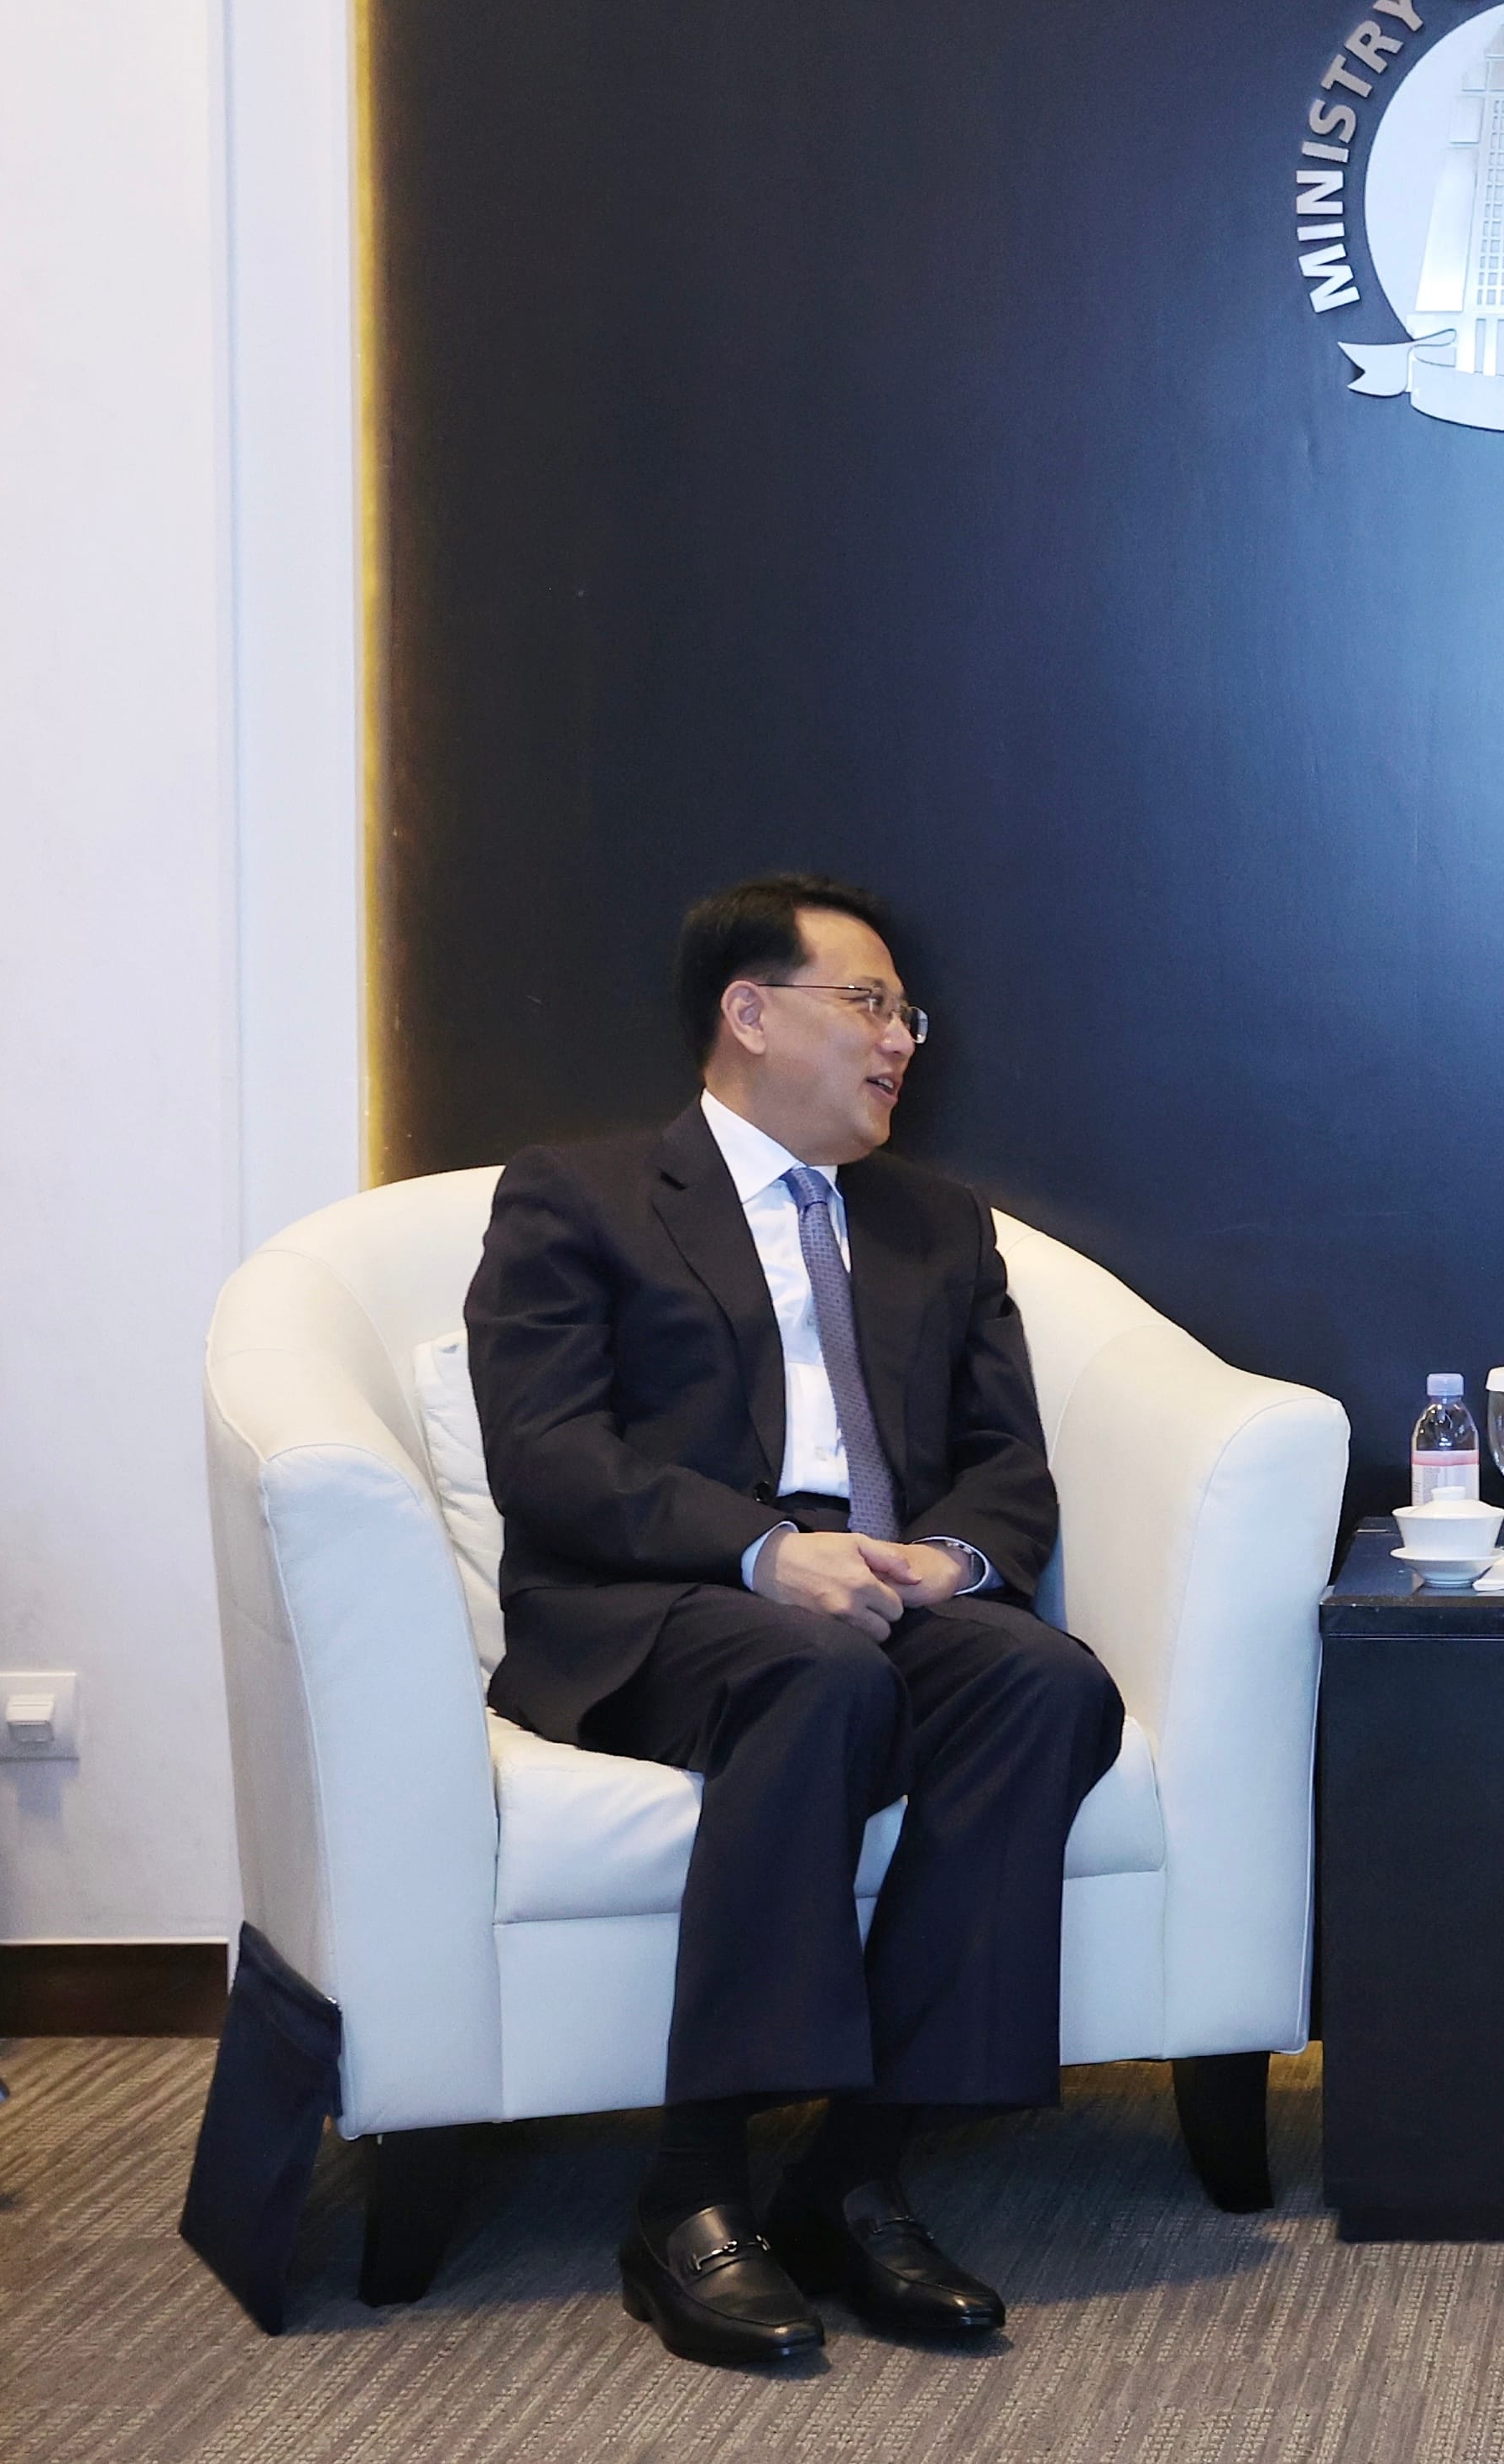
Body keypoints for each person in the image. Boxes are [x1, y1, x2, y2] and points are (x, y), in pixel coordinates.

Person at [468, 872, 1122, 2368]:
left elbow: (1008, 1460)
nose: (903, 1039)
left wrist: (951, 1563)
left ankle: (856, 2171)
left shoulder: (939, 1227)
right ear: (748, 1014)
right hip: (667, 1602)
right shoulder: (579, 1197)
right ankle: (690, 2189)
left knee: (1047, 1684)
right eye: (869, 1003)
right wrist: (769, 1550)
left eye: (908, 1011)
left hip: (887, 1587)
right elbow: (551, 1457)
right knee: (820, 1677)